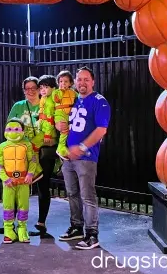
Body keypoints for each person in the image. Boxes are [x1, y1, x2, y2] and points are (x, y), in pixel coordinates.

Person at [57, 66, 111, 250]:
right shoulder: (74, 100)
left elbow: (101, 129)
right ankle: (77, 226)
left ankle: (92, 235)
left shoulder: (99, 101)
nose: (82, 82)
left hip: (86, 157)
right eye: (79, 79)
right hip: (68, 156)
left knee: (87, 196)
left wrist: (81, 147)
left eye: (86, 79)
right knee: (72, 194)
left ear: (93, 81)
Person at [0, 76, 57, 236]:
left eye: (33, 88)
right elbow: (10, 128)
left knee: (43, 186)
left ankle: (41, 223)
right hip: (22, 154)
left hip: (43, 153)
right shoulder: (18, 106)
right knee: (17, 186)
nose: (30, 91)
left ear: (39, 89)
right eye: (27, 88)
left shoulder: (48, 104)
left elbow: (52, 128)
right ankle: (12, 223)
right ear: (24, 90)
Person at [0, 118, 37, 243]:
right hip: (8, 182)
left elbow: (33, 160)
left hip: (23, 181)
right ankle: (8, 230)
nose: (13, 132)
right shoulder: (2, 147)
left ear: (22, 131)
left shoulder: (27, 145)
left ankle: (22, 229)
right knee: (8, 206)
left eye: (16, 129)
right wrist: (5, 178)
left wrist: (30, 174)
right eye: (9, 129)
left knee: (23, 205)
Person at [28, 74, 60, 237]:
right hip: (38, 147)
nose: (42, 90)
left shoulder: (53, 101)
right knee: (39, 185)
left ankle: (41, 222)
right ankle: (28, 222)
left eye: (45, 87)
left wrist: (47, 136)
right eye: (41, 87)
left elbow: (50, 122)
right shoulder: (43, 101)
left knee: (43, 185)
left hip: (46, 147)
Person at [52, 70, 77, 174]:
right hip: (60, 114)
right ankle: (60, 147)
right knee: (64, 130)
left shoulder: (74, 92)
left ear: (71, 83)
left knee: (70, 131)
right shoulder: (56, 92)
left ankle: (65, 150)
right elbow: (56, 99)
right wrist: (61, 91)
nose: (63, 83)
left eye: (66, 81)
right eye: (61, 81)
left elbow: (79, 100)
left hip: (70, 114)